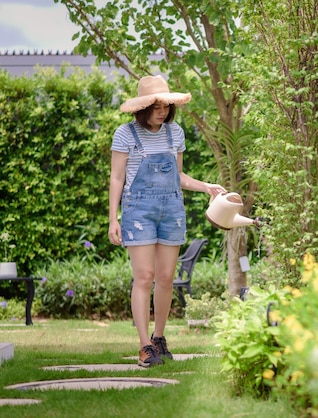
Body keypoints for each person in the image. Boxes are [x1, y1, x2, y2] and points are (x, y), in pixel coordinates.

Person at [108, 75, 225, 367]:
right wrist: (113, 218)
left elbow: (179, 177)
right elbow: (117, 178)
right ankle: (144, 345)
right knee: (144, 276)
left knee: (165, 278)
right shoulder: (125, 134)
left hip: (171, 209)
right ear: (143, 108)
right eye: (156, 106)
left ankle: (159, 337)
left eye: (166, 106)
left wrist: (207, 187)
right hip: (138, 211)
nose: (162, 111)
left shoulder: (176, 134)